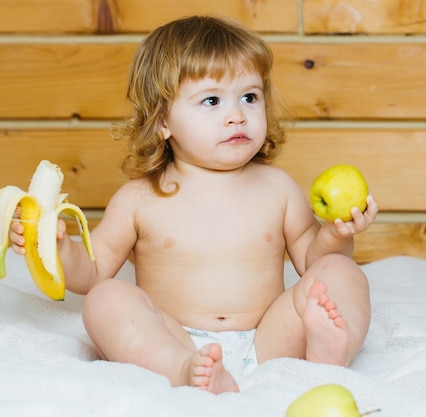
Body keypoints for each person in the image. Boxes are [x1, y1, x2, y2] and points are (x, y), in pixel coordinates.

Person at [9, 15, 378, 394]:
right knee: (106, 299)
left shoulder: (277, 188)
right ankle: (184, 369)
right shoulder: (140, 198)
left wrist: (336, 233)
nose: (237, 115)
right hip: (173, 337)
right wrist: (58, 247)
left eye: (250, 97)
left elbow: (312, 262)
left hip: (270, 339)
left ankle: (331, 350)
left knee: (341, 270)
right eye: (212, 100)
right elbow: (93, 272)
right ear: (163, 120)